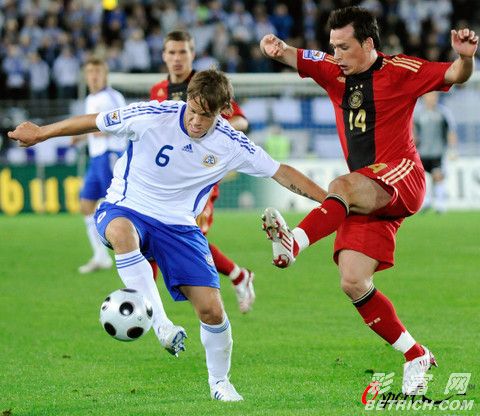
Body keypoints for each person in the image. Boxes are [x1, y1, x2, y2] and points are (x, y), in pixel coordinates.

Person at [8, 68, 327, 402]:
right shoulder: (152, 115)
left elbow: (280, 172)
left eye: (206, 116)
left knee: (212, 311)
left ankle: (220, 383)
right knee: (120, 231)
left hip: (179, 226)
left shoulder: (231, 143)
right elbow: (94, 121)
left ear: (223, 112)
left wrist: (329, 200)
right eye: (192, 110)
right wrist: (42, 133)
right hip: (126, 206)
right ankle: (161, 324)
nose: (196, 121)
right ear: (186, 100)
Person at [259, 6, 477, 395]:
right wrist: (275, 48)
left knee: (340, 185)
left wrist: (466, 57)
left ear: (368, 44)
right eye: (333, 47)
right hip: (366, 193)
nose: (336, 55)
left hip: (401, 176)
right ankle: (415, 354)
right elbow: (293, 55)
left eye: (344, 47)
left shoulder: (401, 70)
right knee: (353, 280)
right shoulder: (331, 70)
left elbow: (455, 75)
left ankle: (294, 244)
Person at [150, 30, 254, 313]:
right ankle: (238, 275)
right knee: (158, 232)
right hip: (168, 178)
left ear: (192, 54)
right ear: (164, 56)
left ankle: (149, 302)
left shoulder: (206, 85)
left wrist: (221, 131)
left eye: (182, 52)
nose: (177, 58)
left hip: (201, 178)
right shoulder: (158, 90)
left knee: (187, 234)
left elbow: (241, 119)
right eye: (172, 52)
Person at [73, 57, 127, 274]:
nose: (93, 76)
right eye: (90, 72)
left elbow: (125, 123)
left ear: (105, 75)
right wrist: (81, 137)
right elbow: (93, 128)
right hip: (96, 157)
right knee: (86, 204)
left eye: (97, 71)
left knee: (117, 205)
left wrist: (101, 131)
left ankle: (132, 249)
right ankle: (100, 256)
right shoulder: (90, 99)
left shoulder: (113, 97)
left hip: (110, 155)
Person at [414, 91, 458, 213]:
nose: (432, 98)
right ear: (424, 97)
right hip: (422, 152)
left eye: (434, 96)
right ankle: (426, 202)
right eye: (429, 95)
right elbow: (413, 132)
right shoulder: (418, 113)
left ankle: (440, 204)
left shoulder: (443, 113)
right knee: (423, 178)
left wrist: (453, 149)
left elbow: (450, 132)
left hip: (438, 152)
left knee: (438, 176)